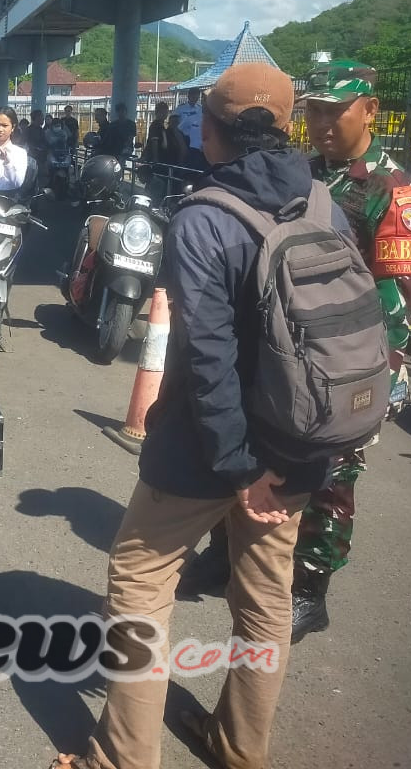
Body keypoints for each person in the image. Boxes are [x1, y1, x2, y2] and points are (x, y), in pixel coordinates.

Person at [52, 62, 347, 769]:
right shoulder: (320, 202)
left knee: (139, 583)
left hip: (209, 453)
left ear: (210, 130)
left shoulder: (204, 217)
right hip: (302, 439)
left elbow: (209, 356)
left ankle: (121, 760)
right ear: (286, 127)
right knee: (266, 600)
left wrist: (240, 468)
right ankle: (240, 749)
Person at [179, 59, 411, 645]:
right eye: (313, 110)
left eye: (335, 111)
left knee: (332, 472)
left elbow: (396, 292)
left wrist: (386, 367)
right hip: (283, 347)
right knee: (255, 449)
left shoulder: (391, 189)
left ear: (369, 109)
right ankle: (228, 555)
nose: (321, 122)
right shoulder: (307, 174)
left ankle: (311, 588)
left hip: (348, 356)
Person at [174, 88, 204, 153]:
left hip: (195, 139)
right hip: (183, 137)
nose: (194, 98)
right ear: (188, 96)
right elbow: (174, 123)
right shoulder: (181, 108)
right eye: (193, 96)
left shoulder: (200, 109)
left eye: (196, 96)